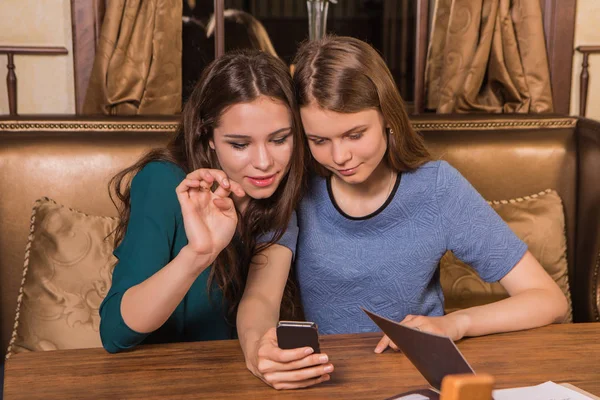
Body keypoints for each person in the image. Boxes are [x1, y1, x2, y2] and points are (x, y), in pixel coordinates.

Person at [239, 36, 568, 388]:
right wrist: (260, 351)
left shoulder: (438, 187)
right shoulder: (297, 187)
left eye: (355, 134)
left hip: (417, 379)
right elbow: (260, 296)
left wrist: (455, 324)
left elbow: (548, 300)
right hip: (326, 381)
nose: (339, 157)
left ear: (387, 117)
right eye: (319, 141)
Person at [99, 49, 305, 353]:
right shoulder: (163, 182)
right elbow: (114, 333)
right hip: (155, 379)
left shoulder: (280, 196)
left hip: (231, 381)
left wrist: (262, 355)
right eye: (239, 144)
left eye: (279, 139)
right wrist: (198, 254)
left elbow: (261, 301)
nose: (264, 162)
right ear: (208, 136)